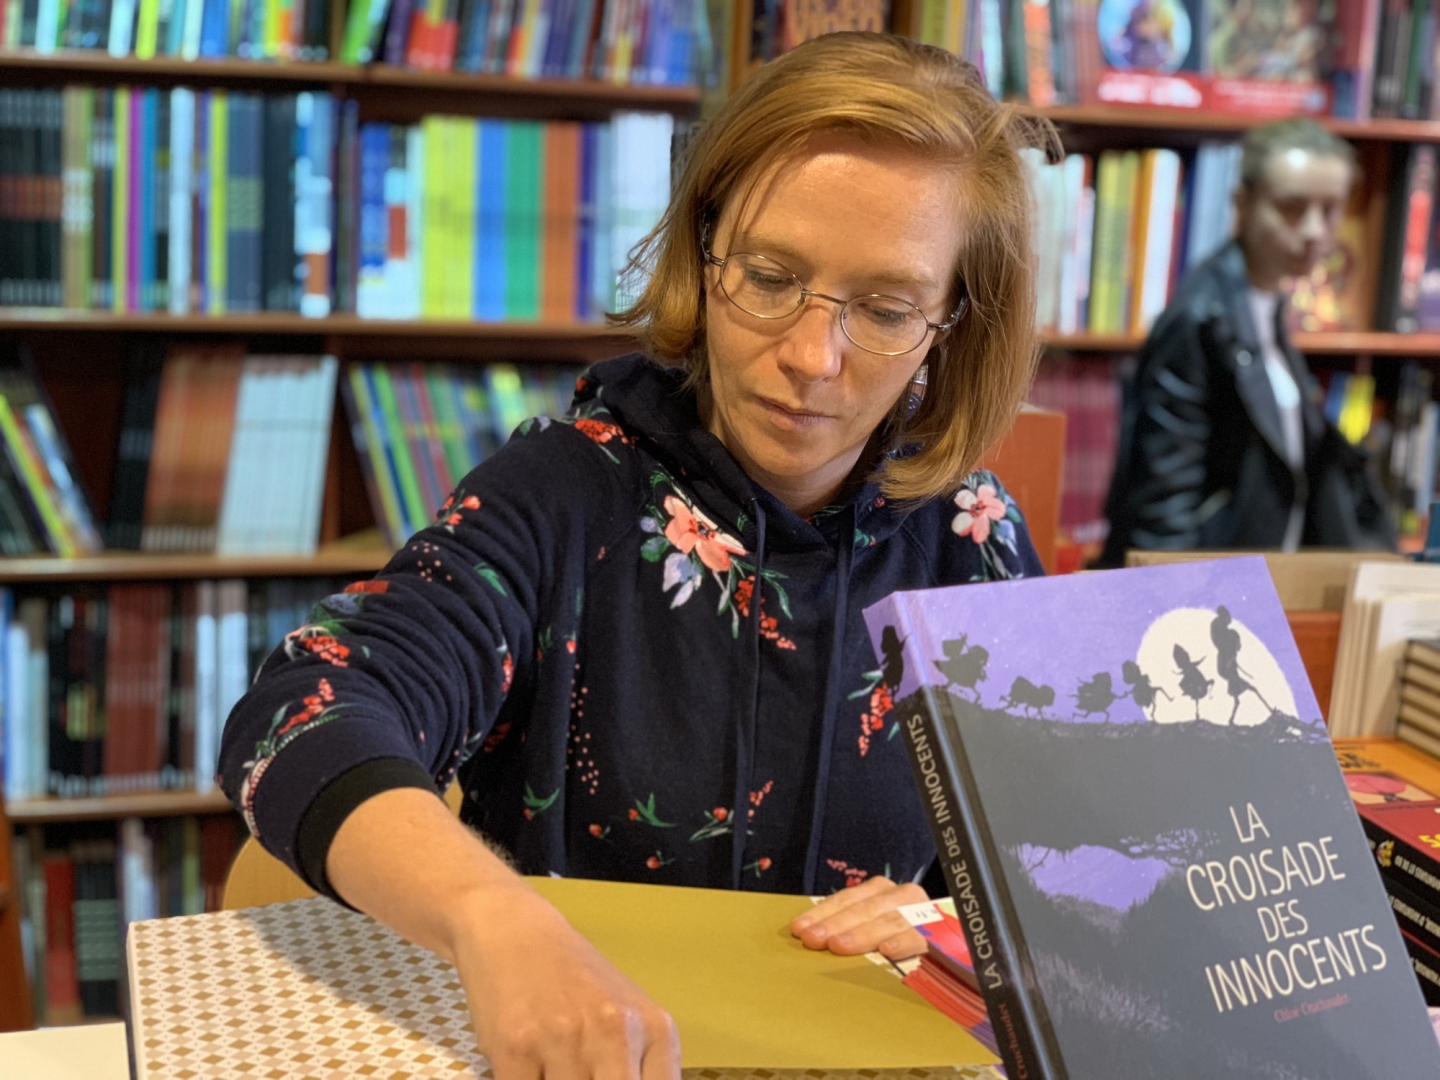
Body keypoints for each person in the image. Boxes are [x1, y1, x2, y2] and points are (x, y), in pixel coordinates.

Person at [219, 32, 1048, 1080]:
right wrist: (495, 918)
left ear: (951, 324)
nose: (810, 356)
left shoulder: (974, 536)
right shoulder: (565, 493)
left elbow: (1059, 878)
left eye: (885, 309)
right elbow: (303, 709)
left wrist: (945, 925)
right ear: (703, 255)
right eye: (769, 277)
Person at [1101, 117, 1394, 565]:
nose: (1315, 230)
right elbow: (1163, 503)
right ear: (1243, 203)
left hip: (1262, 579)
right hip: (1215, 592)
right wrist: (1181, 599)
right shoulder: (1201, 316)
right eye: (1292, 207)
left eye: (1332, 208)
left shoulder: (1265, 303)